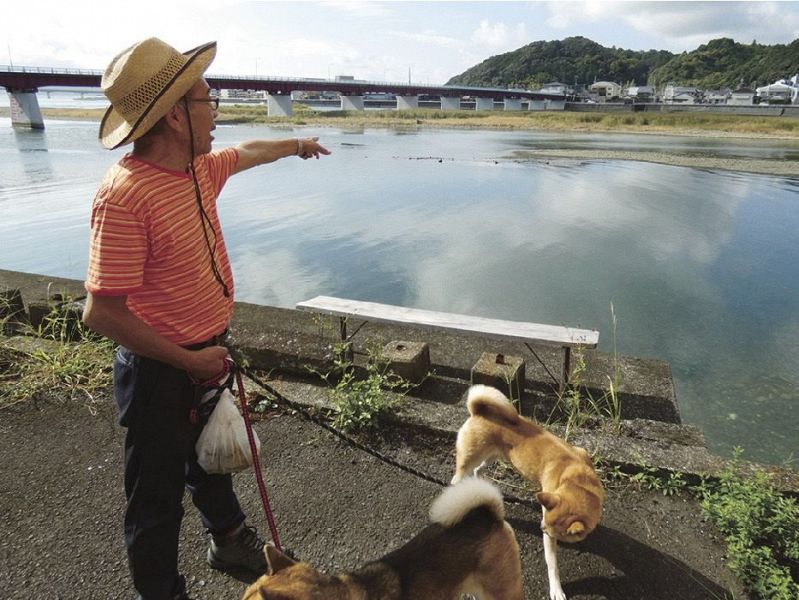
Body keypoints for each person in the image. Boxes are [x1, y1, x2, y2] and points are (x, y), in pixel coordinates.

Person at [82, 37, 330, 600]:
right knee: (155, 498)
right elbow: (101, 312)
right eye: (206, 100)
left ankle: (227, 540)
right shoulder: (125, 196)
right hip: (160, 370)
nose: (215, 111)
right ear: (174, 115)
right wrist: (187, 358)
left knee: (209, 462)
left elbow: (249, 152)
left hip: (205, 353)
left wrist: (296, 144)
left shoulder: (197, 170)